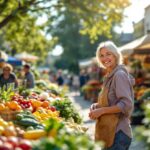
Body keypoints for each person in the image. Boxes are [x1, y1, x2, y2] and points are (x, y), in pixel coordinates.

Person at [89, 41, 134, 150]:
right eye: (102, 55)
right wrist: (97, 106)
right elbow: (111, 101)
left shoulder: (119, 75)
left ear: (115, 55)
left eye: (108, 54)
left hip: (118, 133)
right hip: (109, 131)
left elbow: (126, 104)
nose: (105, 58)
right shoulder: (109, 76)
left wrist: (102, 111)